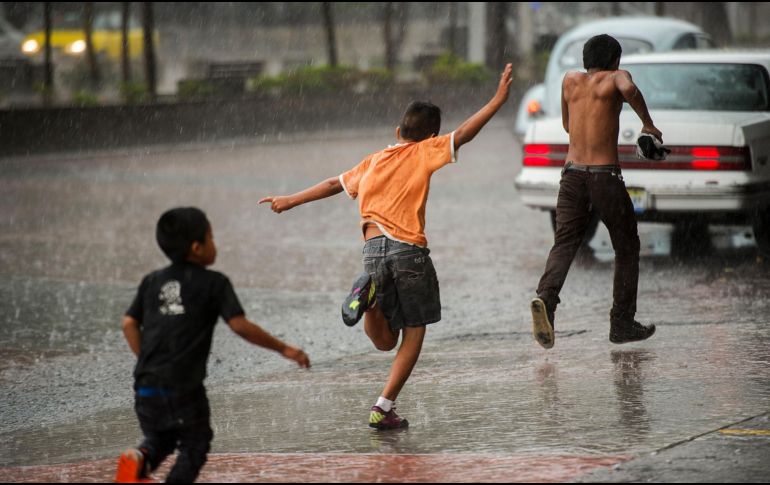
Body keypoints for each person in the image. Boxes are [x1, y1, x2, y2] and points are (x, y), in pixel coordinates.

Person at [260, 64, 513, 429]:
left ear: (397, 132)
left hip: (371, 249)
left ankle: (371, 301)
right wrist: (497, 99)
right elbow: (466, 133)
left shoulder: (374, 159)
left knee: (384, 341)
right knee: (415, 330)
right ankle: (383, 406)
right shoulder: (427, 151)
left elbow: (335, 183)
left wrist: (290, 199)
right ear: (431, 137)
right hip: (408, 250)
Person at [115, 207, 310, 483]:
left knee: (160, 438)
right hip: (183, 386)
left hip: (145, 385)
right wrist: (285, 348)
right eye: (211, 237)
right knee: (196, 442)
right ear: (197, 248)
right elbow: (240, 325)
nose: (215, 244)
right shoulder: (215, 283)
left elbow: (128, 324)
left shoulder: (152, 281)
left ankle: (140, 457)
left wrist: (147, 359)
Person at [531, 34, 661, 349]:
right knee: (627, 247)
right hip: (604, 177)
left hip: (572, 176)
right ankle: (621, 323)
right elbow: (628, 89)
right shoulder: (617, 78)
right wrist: (648, 125)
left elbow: (567, 126)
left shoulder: (570, 81)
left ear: (586, 60)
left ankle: (546, 299)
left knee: (564, 243)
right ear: (616, 60)